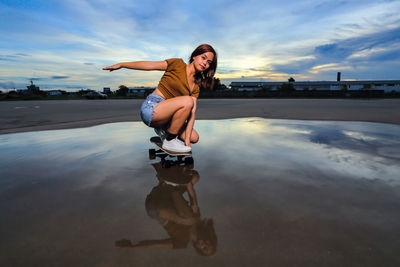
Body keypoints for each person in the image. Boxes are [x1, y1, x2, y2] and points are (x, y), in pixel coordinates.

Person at [103, 44, 218, 153]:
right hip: (152, 108)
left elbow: (192, 114)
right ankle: (169, 140)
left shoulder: (195, 85)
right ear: (194, 56)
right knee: (188, 101)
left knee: (194, 137)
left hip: (168, 116)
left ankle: (164, 131)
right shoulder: (177, 64)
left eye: (208, 62)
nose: (205, 63)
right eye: (203, 58)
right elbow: (149, 65)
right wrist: (122, 64)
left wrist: (187, 143)